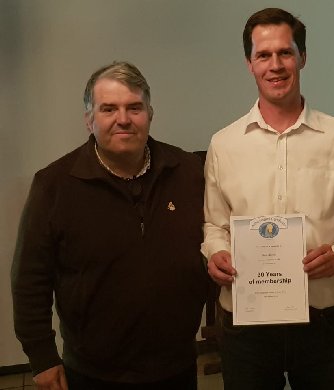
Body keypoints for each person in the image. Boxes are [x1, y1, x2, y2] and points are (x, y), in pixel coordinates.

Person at [202, 8, 334, 390]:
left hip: (323, 320)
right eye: (264, 55)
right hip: (245, 322)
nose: (275, 65)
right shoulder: (224, 144)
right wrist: (215, 253)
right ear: (249, 63)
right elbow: (214, 223)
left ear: (303, 57)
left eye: (285, 53)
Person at [11, 61, 208, 389]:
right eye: (108, 109)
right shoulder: (54, 185)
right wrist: (42, 356)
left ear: (150, 114)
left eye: (134, 107)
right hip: (94, 373)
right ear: (89, 119)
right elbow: (30, 278)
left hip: (178, 366)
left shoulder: (188, 171)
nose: (123, 119)